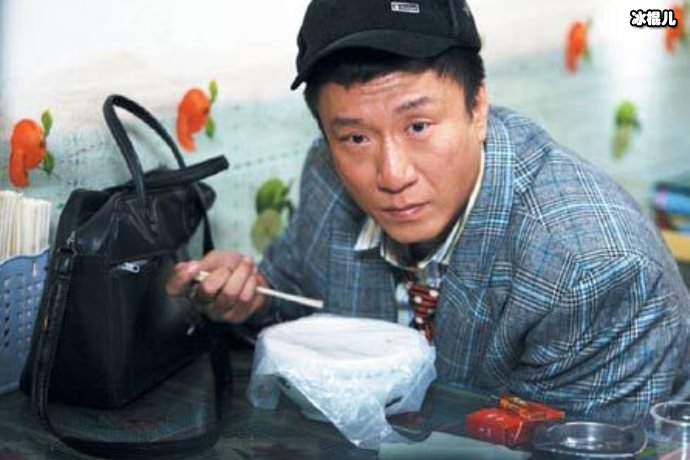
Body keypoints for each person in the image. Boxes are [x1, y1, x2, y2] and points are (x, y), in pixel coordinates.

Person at [167, 0, 690, 422]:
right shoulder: (328, 176)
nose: (393, 175)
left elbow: (566, 444)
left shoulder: (593, 272)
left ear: (477, 108)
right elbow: (301, 294)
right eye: (355, 137)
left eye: (418, 126)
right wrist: (249, 299)